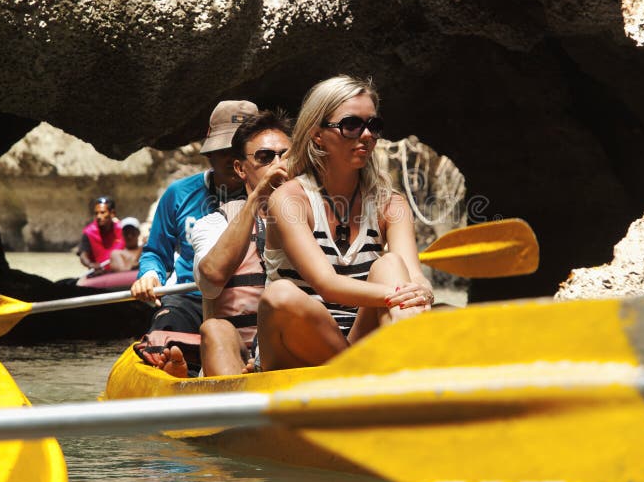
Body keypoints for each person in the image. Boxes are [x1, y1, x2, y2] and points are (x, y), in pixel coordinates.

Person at [257, 75, 433, 371]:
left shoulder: (392, 204)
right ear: (317, 135)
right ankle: (372, 375)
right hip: (294, 352)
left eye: (373, 126)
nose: (366, 135)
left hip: (359, 341)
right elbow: (327, 285)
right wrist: (403, 296)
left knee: (390, 265)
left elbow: (414, 276)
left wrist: (422, 289)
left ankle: (405, 388)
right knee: (280, 295)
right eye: (351, 125)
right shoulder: (289, 200)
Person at [149, 111, 292, 378]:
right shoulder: (212, 222)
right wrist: (256, 199)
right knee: (214, 328)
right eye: (265, 157)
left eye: (285, 155)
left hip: (289, 351)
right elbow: (211, 280)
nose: (278, 164)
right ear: (241, 168)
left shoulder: (317, 215)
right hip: (232, 349)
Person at [131, 100, 258, 345]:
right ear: (209, 152)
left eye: (242, 151)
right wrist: (150, 275)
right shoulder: (178, 194)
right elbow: (156, 252)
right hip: (189, 296)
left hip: (251, 296)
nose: (234, 161)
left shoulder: (275, 196)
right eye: (225, 151)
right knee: (166, 327)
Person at [77, 196, 124, 274]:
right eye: (96, 213)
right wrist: (90, 264)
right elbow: (83, 255)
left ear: (112, 214)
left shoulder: (123, 230)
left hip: (120, 274)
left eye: (102, 212)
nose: (98, 216)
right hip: (99, 274)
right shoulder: (89, 232)